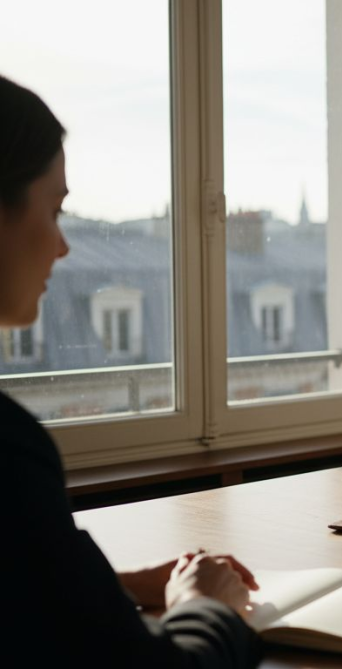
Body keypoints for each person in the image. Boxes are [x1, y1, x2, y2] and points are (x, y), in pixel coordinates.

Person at [1, 74, 263, 666]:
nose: (63, 247)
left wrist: (110, 586)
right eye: (55, 209)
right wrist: (209, 605)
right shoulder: (8, 451)